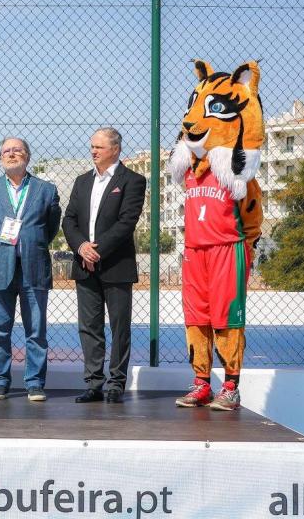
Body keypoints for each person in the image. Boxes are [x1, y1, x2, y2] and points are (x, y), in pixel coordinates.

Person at [168, 60, 264, 411]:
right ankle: (200, 383)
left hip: (227, 250)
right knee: (196, 318)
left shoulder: (238, 176)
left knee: (228, 318)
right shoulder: (191, 174)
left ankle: (232, 387)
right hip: (195, 253)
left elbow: (252, 221)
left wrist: (246, 250)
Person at [0, 137, 61, 402]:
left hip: (34, 266)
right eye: (6, 151)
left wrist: (32, 243)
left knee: (36, 331)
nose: (12, 154)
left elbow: (51, 226)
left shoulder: (46, 189)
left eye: (17, 150)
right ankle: (0, 382)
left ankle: (35, 383)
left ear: (28, 156)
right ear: (0, 157)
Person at [62, 127, 145, 404]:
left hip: (116, 265)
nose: (93, 151)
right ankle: (93, 383)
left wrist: (97, 250)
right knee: (89, 326)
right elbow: (69, 220)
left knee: (119, 326)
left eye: (99, 147)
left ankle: (116, 383)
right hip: (84, 265)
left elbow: (126, 222)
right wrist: (81, 247)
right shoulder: (82, 181)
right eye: (92, 147)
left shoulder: (133, 180)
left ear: (116, 149)